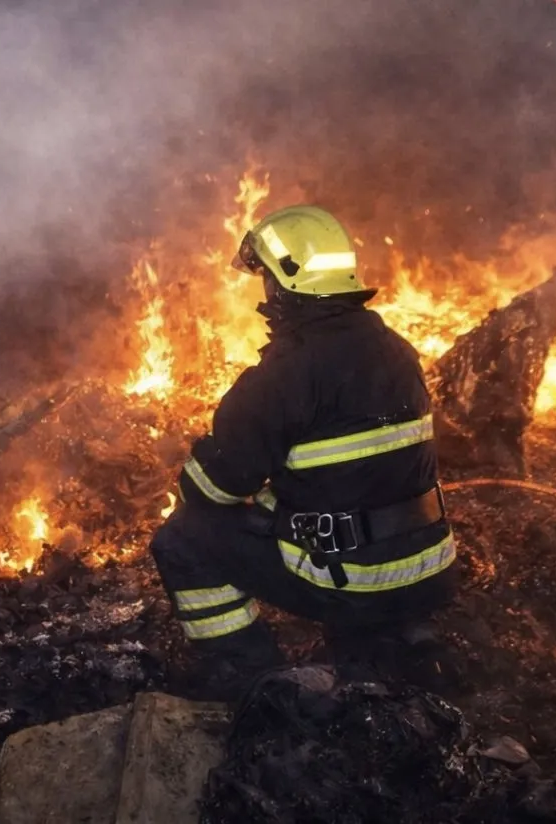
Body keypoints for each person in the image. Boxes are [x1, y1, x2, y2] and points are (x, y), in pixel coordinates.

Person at [150, 204, 457, 701]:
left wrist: (199, 470)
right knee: (311, 507)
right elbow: (363, 475)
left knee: (182, 540)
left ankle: (248, 675)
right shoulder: (398, 351)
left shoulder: (285, 373)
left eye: (266, 277)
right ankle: (394, 635)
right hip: (428, 572)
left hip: (353, 582)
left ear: (282, 281)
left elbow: (211, 488)